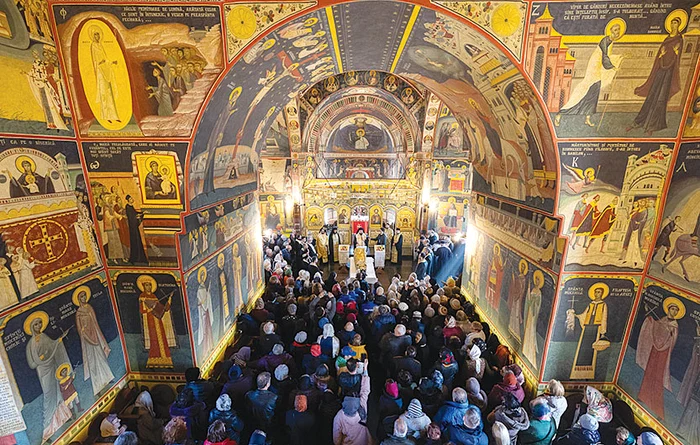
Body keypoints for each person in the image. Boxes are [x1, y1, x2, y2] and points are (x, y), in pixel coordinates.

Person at [554, 19, 623, 128]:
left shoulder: (611, 41)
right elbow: (605, 58)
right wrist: (613, 67)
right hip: (594, 67)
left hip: (599, 68)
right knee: (584, 90)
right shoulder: (605, 40)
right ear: (610, 30)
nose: (617, 32)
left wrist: (619, 58)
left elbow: (607, 57)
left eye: (619, 29)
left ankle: (587, 118)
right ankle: (561, 113)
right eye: (615, 29)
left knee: (594, 92)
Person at [627, 15, 683, 135]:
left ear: (678, 26)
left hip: (669, 73)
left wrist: (677, 53)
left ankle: (653, 126)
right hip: (660, 71)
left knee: (661, 97)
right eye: (672, 23)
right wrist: (661, 55)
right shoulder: (667, 39)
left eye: (676, 24)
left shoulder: (679, 39)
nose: (674, 26)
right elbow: (660, 54)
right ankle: (639, 122)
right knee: (652, 95)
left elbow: (678, 57)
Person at [74, 287, 114, 395]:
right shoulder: (78, 313)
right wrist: (84, 332)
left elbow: (95, 323)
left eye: (84, 296)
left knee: (101, 358)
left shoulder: (89, 307)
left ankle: (108, 377)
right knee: (92, 362)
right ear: (78, 299)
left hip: (95, 336)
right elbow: (79, 329)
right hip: (87, 341)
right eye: (81, 296)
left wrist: (98, 336)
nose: (84, 298)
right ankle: (98, 387)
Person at [125, 195, 148, 264]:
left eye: (132, 198)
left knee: (138, 241)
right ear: (128, 200)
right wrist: (136, 217)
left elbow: (135, 214)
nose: (132, 199)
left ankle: (140, 258)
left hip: (134, 227)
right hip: (132, 228)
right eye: (131, 198)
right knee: (135, 241)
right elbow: (131, 217)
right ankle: (134, 259)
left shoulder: (131, 206)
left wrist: (143, 213)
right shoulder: (127, 207)